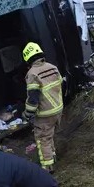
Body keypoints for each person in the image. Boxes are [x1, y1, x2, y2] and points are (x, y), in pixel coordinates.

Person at [20, 42, 64, 173]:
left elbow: (33, 98)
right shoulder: (52, 67)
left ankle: (47, 167)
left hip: (45, 113)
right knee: (49, 135)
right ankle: (52, 156)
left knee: (42, 138)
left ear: (27, 58)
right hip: (58, 109)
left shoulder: (32, 74)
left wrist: (27, 113)